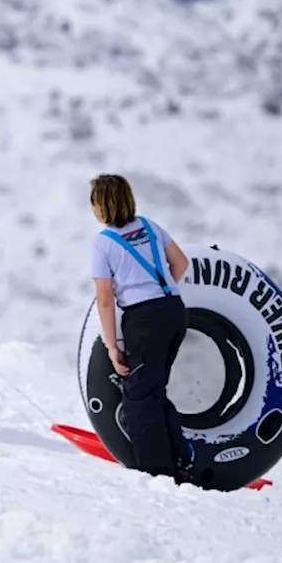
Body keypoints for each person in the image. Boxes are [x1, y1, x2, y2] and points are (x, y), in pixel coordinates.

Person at [89, 173, 193, 482]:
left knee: (139, 400)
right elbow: (181, 263)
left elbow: (105, 300)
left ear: (102, 207)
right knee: (153, 390)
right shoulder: (149, 226)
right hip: (174, 311)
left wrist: (111, 347)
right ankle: (181, 458)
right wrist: (161, 294)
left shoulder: (103, 244)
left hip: (144, 321)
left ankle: (159, 475)